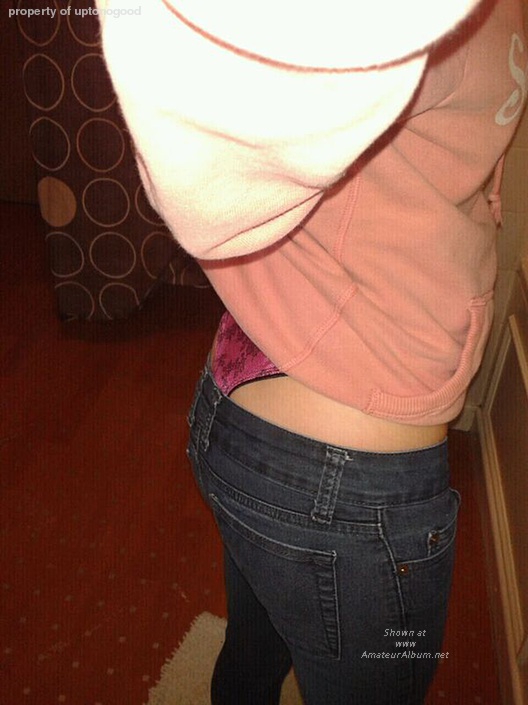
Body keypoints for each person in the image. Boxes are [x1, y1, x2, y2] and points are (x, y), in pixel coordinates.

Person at [96, 0, 527, 702]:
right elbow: (204, 173)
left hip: (253, 414)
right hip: (340, 479)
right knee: (388, 677)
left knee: (257, 645)